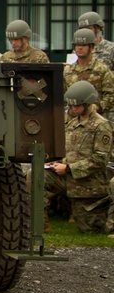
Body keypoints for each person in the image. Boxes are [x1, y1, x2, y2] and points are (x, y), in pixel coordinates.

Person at [44, 81, 112, 234]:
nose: (73, 109)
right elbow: (71, 150)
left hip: (88, 184)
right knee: (35, 178)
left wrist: (68, 168)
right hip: (66, 177)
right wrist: (58, 162)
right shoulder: (72, 123)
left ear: (88, 104)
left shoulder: (101, 126)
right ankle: (40, 226)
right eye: (72, 106)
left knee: (91, 230)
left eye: (77, 106)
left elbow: (100, 160)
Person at [64, 28, 114, 117]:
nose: (80, 48)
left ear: (92, 47)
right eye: (77, 45)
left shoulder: (101, 69)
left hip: (96, 120)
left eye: (84, 45)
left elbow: (111, 95)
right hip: (73, 121)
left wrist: (95, 108)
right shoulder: (68, 71)